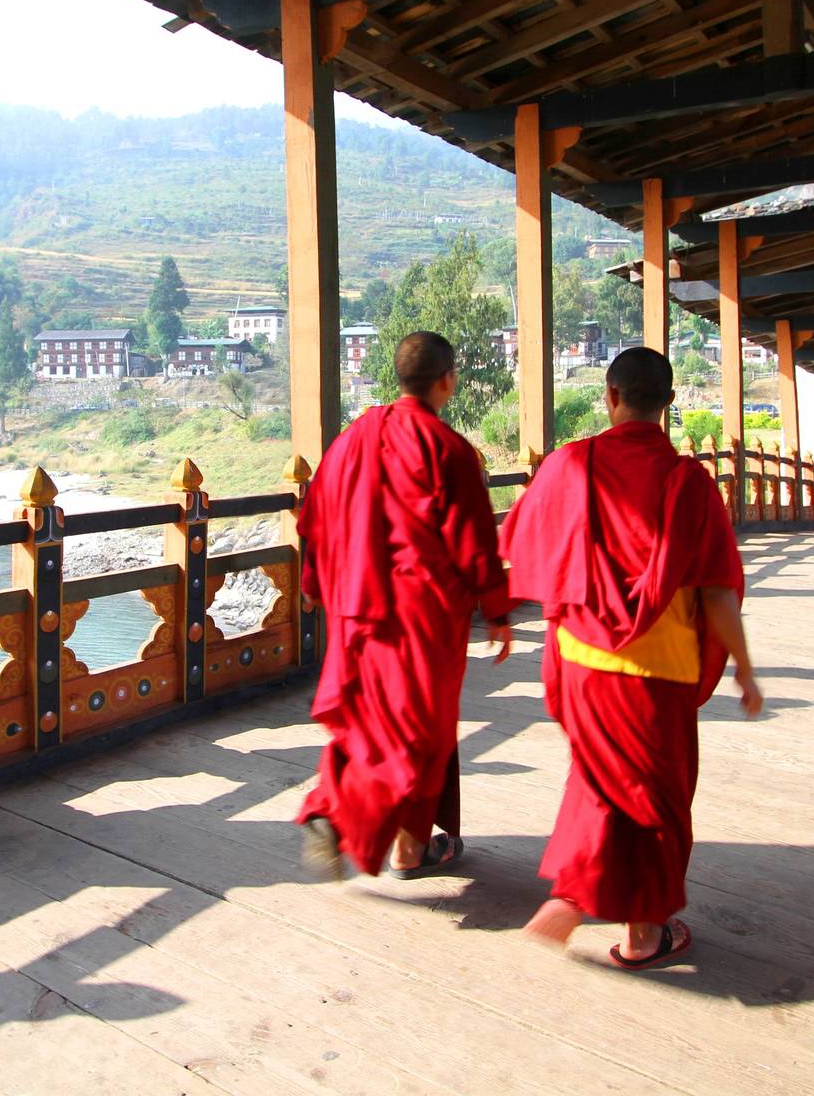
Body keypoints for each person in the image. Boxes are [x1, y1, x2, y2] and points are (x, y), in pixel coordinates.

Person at [499, 347, 762, 969]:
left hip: (584, 661)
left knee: (598, 780)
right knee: (658, 799)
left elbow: (520, 547)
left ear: (610, 397)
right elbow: (718, 590)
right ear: (668, 405)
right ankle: (642, 933)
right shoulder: (689, 482)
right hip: (659, 668)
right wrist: (745, 670)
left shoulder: (569, 464)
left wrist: (499, 611)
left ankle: (577, 885)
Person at [296, 331, 514, 882]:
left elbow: (316, 516)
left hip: (357, 608)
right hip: (423, 615)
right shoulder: (448, 448)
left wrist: (313, 582)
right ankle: (365, 826)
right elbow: (473, 538)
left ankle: (376, 830)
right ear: (447, 380)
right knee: (421, 732)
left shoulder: (351, 440)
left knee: (368, 719)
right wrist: (498, 608)